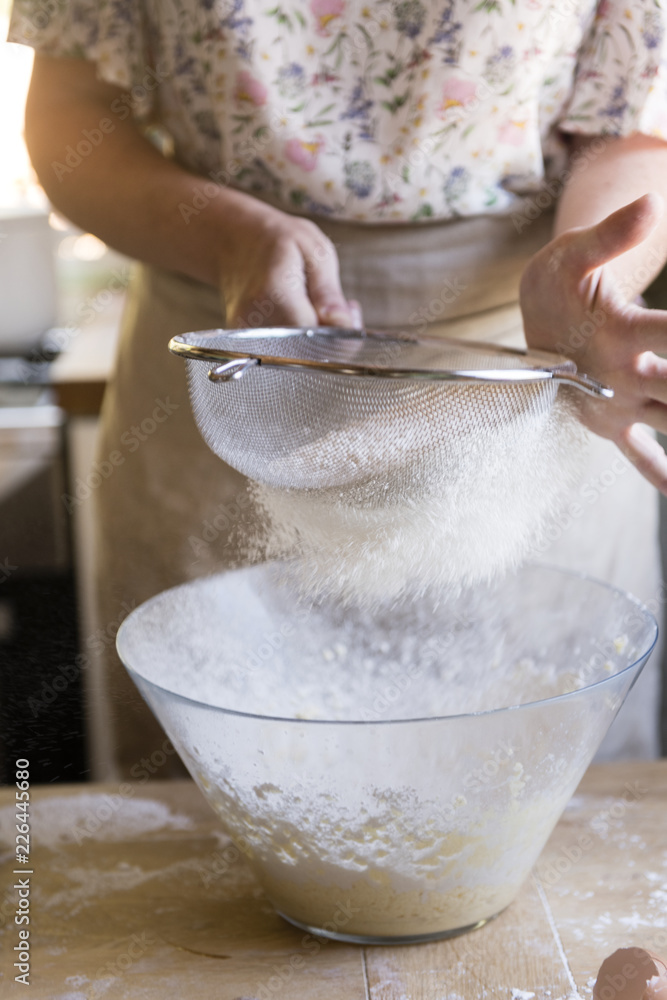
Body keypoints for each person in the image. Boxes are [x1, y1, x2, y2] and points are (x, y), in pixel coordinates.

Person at [9, 0, 667, 776]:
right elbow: (69, 121)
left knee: (536, 804)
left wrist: (592, 284)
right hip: (233, 359)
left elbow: (634, 127)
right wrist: (230, 240)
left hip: (522, 377)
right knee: (216, 814)